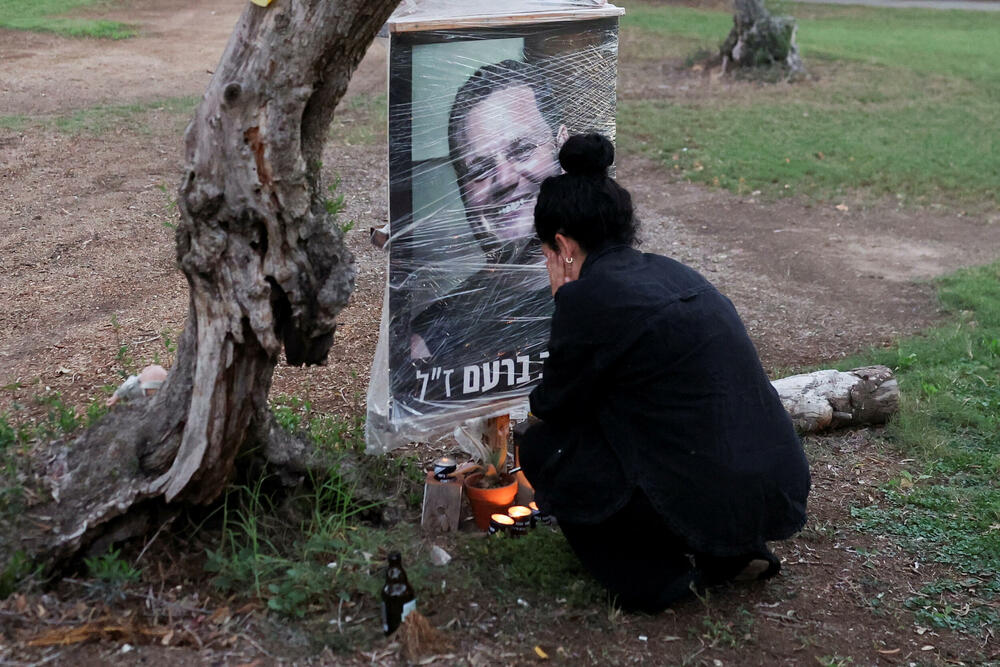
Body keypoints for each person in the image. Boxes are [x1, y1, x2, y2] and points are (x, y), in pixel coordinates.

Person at [518, 133, 811, 613]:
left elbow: (552, 405)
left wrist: (561, 302)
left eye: (548, 252)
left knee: (543, 446)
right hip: (776, 481)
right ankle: (735, 553)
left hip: (707, 486)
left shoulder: (585, 297)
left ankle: (653, 579)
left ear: (564, 246)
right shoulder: (672, 271)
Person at [409, 58, 568, 365]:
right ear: (461, 189)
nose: (505, 179)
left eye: (522, 150)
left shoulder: (624, 300)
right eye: (480, 169)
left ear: (564, 147)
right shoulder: (427, 342)